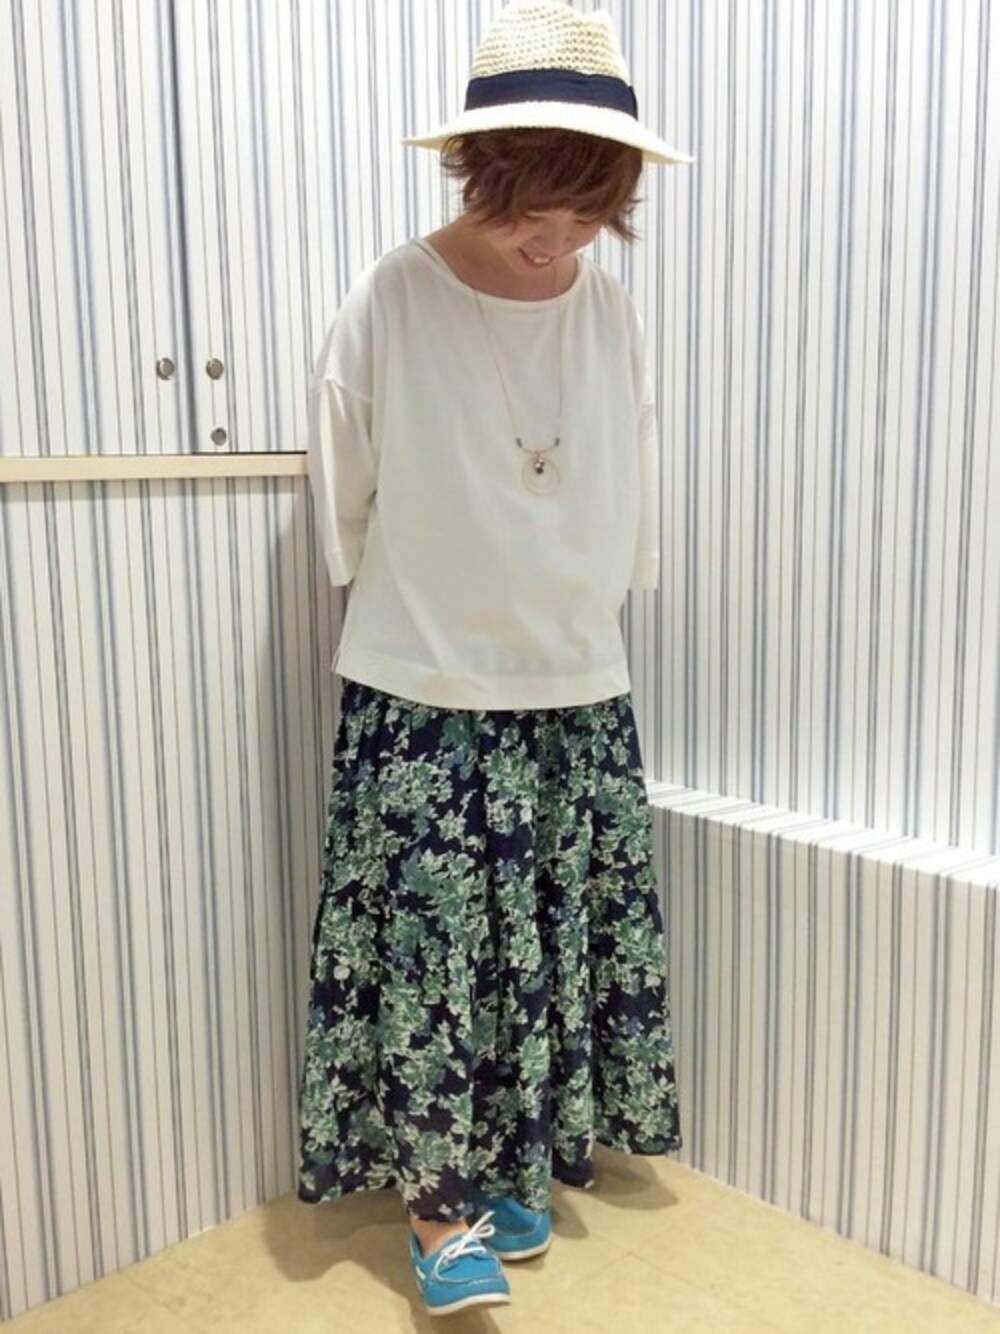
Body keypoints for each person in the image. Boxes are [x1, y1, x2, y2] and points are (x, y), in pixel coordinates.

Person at [296, 0, 693, 1317]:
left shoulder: (608, 307)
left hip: (572, 679)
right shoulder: (393, 295)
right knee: (435, 965)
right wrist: (432, 606)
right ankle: (438, 1214)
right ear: (482, 167)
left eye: (587, 215)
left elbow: (632, 475)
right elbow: (346, 495)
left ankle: (508, 1165)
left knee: (540, 949)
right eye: (536, 205)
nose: (556, 239)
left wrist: (590, 602)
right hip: (428, 687)